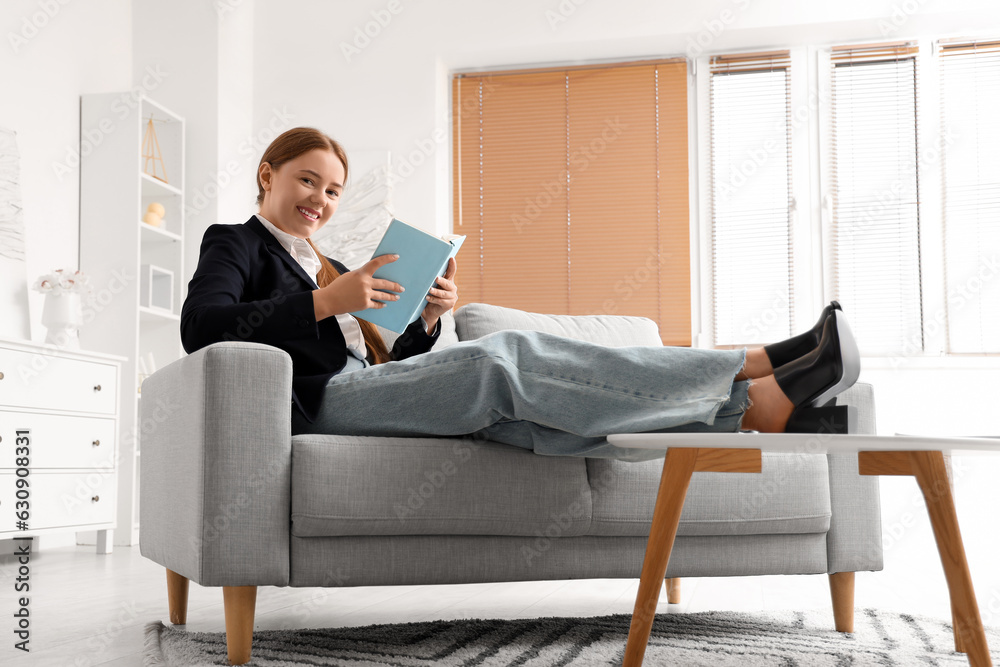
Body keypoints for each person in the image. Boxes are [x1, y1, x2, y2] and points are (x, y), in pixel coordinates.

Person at [180, 127, 860, 462]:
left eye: (331, 190)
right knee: (497, 358)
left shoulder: (324, 261)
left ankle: (755, 412)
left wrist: (423, 319)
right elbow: (203, 325)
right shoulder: (235, 242)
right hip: (323, 404)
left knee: (539, 423)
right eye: (307, 181)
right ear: (267, 175)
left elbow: (390, 362)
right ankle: (747, 364)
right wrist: (328, 303)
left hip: (370, 387)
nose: (320, 200)